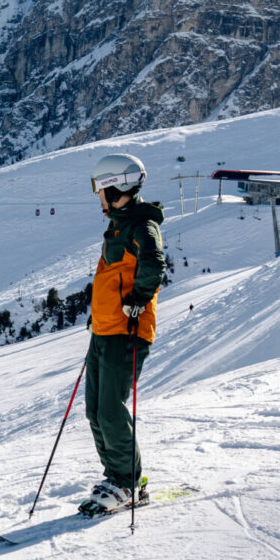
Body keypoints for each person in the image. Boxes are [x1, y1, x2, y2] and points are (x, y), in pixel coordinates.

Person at [79, 152, 165, 516]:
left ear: (117, 188)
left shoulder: (141, 227)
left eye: (101, 189)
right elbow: (109, 277)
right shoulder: (116, 227)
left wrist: (137, 302)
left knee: (111, 409)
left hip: (127, 331)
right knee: (95, 410)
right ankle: (116, 476)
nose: (98, 196)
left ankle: (130, 483)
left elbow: (154, 266)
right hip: (105, 329)